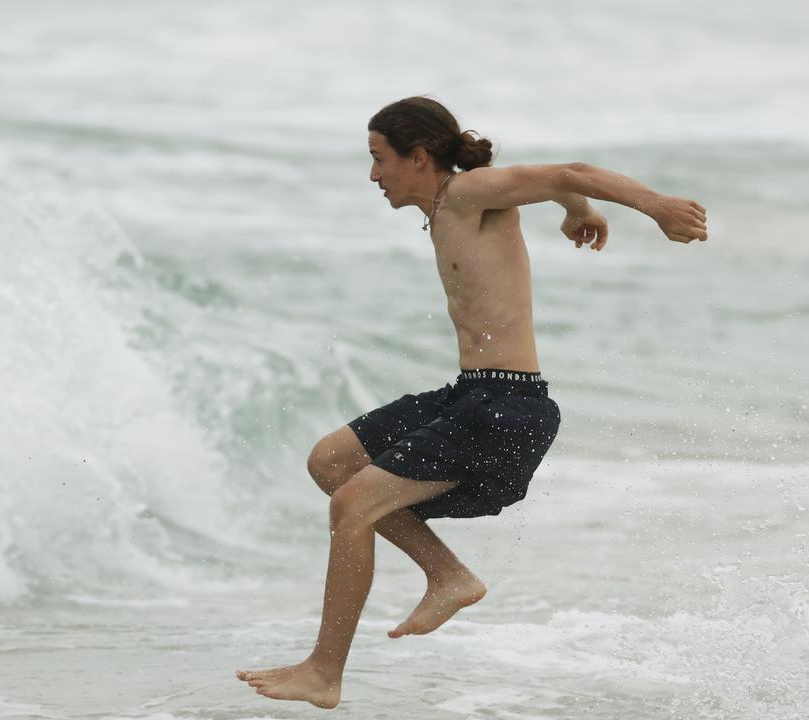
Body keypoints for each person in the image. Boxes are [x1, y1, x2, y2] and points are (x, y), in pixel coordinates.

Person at [235, 96, 707, 709]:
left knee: (353, 506)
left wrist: (657, 207)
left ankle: (324, 672)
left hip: (506, 407)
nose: (373, 175)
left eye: (379, 159)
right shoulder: (453, 204)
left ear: (420, 156)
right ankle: (446, 575)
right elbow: (557, 188)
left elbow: (570, 170)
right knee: (331, 462)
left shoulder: (465, 192)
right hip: (472, 395)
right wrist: (575, 210)